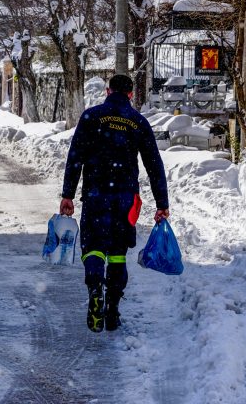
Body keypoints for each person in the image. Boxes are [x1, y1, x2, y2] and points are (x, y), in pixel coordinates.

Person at [60, 74, 169, 333]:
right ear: (131, 94)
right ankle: (112, 311)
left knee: (93, 246)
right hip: (126, 198)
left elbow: (75, 156)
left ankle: (95, 286)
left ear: (108, 91)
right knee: (118, 252)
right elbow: (154, 164)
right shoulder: (138, 122)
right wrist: (162, 202)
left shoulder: (91, 117)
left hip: (96, 194)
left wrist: (68, 193)